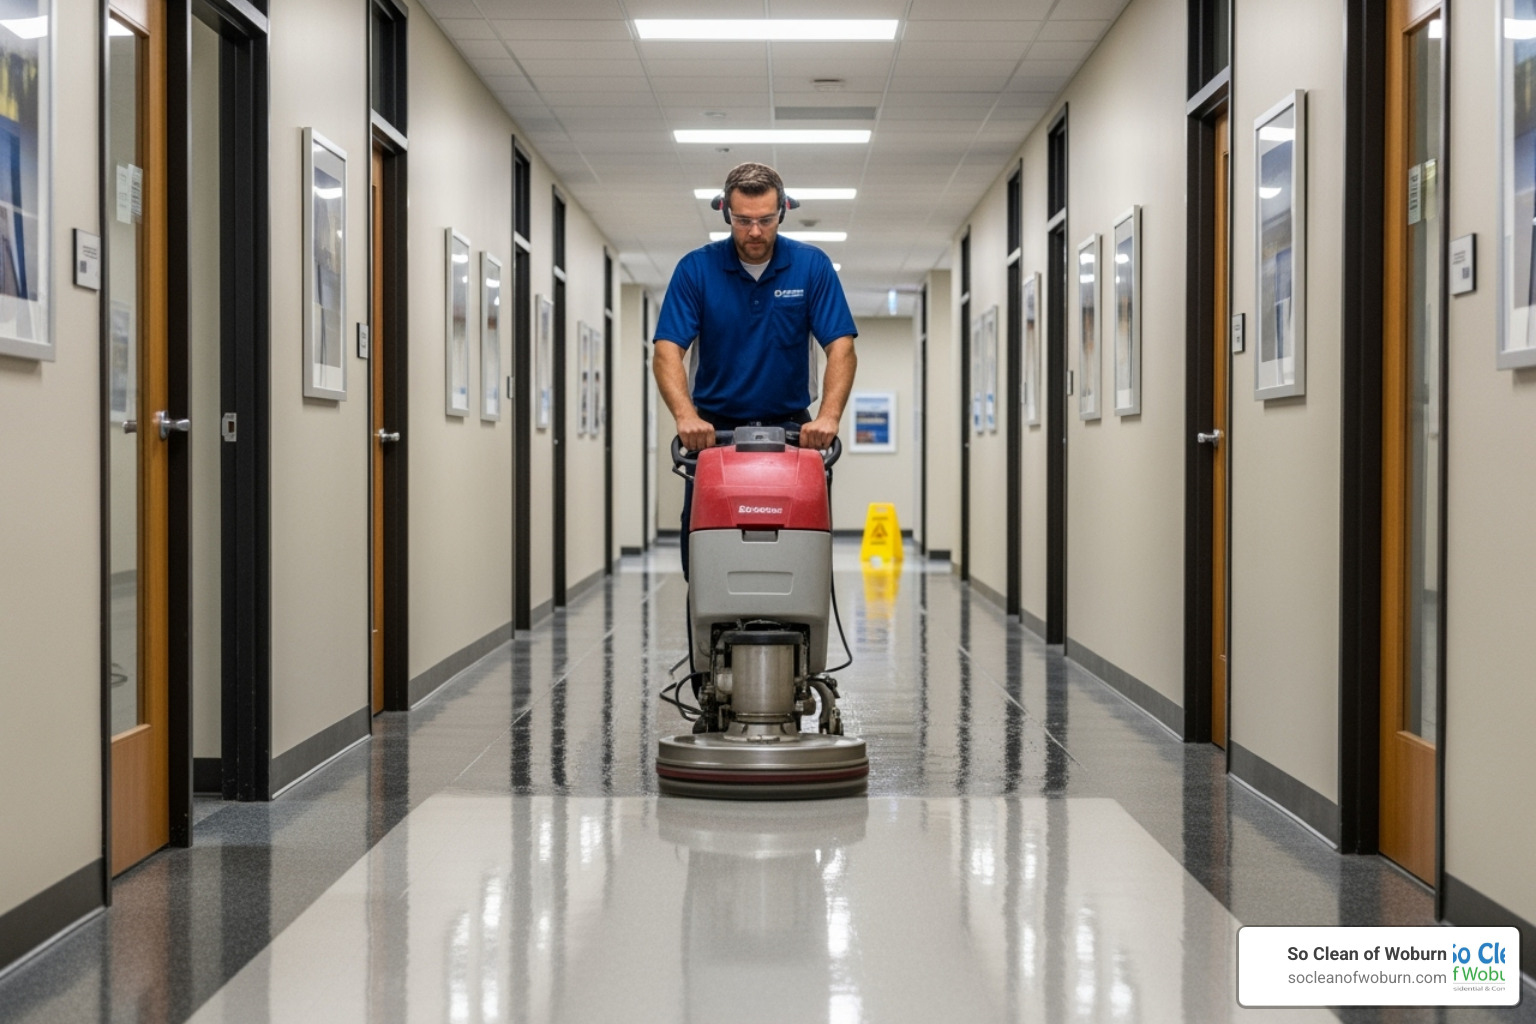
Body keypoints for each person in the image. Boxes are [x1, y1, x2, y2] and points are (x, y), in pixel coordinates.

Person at [652, 161, 858, 576]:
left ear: (783, 209)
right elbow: (666, 350)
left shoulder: (811, 266)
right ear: (726, 212)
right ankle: (707, 633)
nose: (756, 232)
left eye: (766, 219)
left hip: (793, 432)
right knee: (705, 551)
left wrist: (829, 417)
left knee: (800, 551)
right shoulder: (696, 269)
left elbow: (841, 347)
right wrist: (685, 417)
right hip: (713, 433)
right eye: (743, 221)